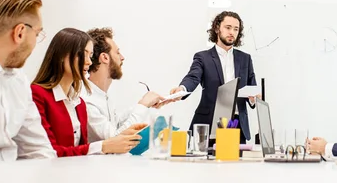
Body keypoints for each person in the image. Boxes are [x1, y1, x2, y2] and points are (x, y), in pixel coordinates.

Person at [0, 0, 55, 163]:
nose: (35, 42)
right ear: (20, 33)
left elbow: (39, 149)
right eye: (38, 34)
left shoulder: (18, 79)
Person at [32, 28, 142, 157]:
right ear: (61, 55)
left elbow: (81, 152)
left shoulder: (79, 104)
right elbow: (48, 152)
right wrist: (103, 146)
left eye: (90, 56)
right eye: (83, 54)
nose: (89, 62)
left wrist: (120, 139)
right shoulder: (37, 95)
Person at [169, 11, 258, 143]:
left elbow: (252, 88)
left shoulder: (245, 59)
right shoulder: (202, 57)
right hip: (209, 124)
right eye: (228, 28)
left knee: (238, 163)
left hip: (237, 125)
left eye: (236, 29)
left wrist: (254, 98)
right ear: (217, 28)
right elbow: (193, 77)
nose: (232, 32)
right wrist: (182, 88)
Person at [83, 27, 168, 142]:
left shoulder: (101, 96)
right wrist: (142, 105)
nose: (122, 57)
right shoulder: (87, 100)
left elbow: (115, 125)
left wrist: (145, 104)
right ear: (104, 57)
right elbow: (115, 139)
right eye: (117, 52)